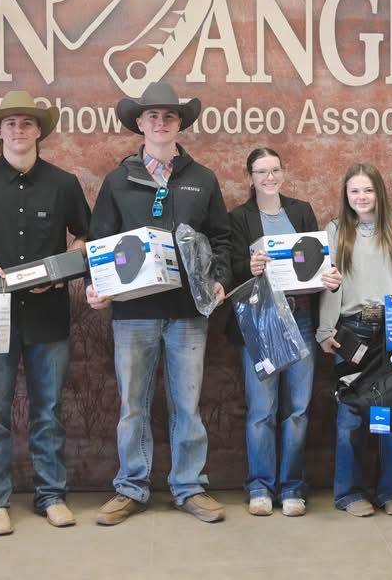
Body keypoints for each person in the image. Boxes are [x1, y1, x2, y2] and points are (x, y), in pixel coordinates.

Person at [85, 82, 232, 525]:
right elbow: (100, 242)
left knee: (187, 404)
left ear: (180, 123)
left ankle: (189, 486)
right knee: (133, 403)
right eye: (152, 116)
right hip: (132, 311)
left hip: (189, 311)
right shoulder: (117, 179)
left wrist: (220, 279)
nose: (161, 122)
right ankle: (131, 487)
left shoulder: (202, 179)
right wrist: (99, 286)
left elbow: (222, 239)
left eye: (169, 116)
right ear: (140, 124)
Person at [0, 91, 91, 534]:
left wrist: (64, 269)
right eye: (10, 123)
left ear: (39, 131)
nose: (18, 130)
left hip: (49, 314)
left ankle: (51, 496)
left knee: (48, 410)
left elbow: (85, 238)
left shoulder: (64, 183)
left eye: (26, 123)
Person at [227, 147, 341, 517]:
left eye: (274, 170)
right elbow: (229, 270)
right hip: (263, 320)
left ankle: (293, 487)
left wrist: (329, 277)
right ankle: (260, 486)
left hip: (301, 317)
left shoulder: (301, 210)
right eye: (261, 172)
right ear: (250, 177)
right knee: (262, 409)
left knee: (298, 409)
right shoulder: (239, 217)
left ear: (283, 173)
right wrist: (249, 266)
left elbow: (313, 261)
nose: (269, 177)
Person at [317, 163, 392, 517]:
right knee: (351, 416)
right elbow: (329, 285)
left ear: (379, 191)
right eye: (354, 191)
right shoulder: (335, 231)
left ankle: (391, 490)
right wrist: (324, 330)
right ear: (346, 196)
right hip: (352, 332)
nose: (361, 197)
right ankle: (348, 493)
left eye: (367, 190)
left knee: (389, 413)